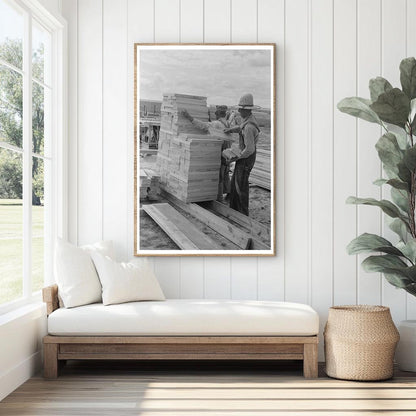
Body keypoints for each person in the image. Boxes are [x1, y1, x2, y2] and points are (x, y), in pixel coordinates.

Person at [181, 105, 233, 202]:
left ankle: (219, 199)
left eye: (215, 113)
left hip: (220, 152)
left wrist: (189, 117)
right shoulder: (227, 123)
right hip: (227, 153)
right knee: (225, 174)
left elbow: (203, 125)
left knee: (219, 177)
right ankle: (229, 195)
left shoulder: (217, 124)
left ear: (217, 114)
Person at [223, 93, 260, 216]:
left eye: (240, 109)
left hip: (247, 158)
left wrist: (235, 158)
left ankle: (243, 213)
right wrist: (230, 130)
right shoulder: (247, 120)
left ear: (246, 110)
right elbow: (240, 128)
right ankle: (234, 209)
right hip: (245, 156)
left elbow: (249, 149)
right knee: (235, 182)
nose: (238, 111)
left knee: (241, 186)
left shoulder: (249, 127)